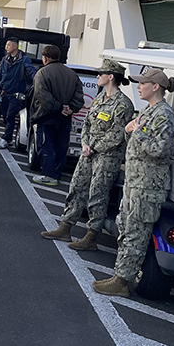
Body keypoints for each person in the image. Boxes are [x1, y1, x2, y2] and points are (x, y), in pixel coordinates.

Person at [93, 68, 174, 297]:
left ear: (156, 87)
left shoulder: (165, 116)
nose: (138, 87)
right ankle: (119, 275)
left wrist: (136, 132)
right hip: (135, 182)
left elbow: (160, 150)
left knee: (136, 233)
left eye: (143, 83)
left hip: (147, 187)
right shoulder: (148, 111)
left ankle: (123, 281)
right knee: (126, 228)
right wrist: (132, 131)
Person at [41, 59, 134, 249]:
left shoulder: (123, 104)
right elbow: (87, 123)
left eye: (101, 74)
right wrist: (85, 143)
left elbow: (117, 134)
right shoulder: (100, 98)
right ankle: (66, 227)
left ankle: (91, 237)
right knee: (77, 187)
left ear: (111, 77)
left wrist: (94, 147)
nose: (98, 76)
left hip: (107, 157)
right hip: (89, 152)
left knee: (97, 194)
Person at [30, 44, 84, 185]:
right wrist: (70, 108)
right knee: (61, 146)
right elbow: (79, 97)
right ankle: (57, 173)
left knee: (46, 145)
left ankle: (49, 175)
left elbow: (42, 96)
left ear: (46, 58)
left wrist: (59, 107)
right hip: (65, 118)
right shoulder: (72, 74)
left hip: (47, 116)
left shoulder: (42, 73)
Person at [0, 37, 37, 149]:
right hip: (4, 92)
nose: (6, 47)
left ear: (15, 46)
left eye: (8, 45)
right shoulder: (5, 59)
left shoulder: (24, 59)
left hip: (16, 94)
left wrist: (38, 81)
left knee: (11, 115)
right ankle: (8, 137)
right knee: (6, 116)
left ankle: (5, 139)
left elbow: (32, 71)